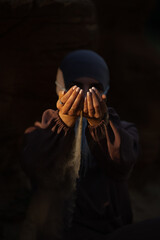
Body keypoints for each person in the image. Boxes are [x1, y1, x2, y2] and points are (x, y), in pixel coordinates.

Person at [21, 50, 139, 240]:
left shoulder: (123, 131)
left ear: (105, 91)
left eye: (94, 87)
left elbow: (121, 164)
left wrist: (100, 126)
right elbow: (35, 166)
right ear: (60, 88)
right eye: (75, 86)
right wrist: (63, 124)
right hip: (54, 231)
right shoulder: (41, 131)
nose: (84, 94)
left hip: (107, 230)